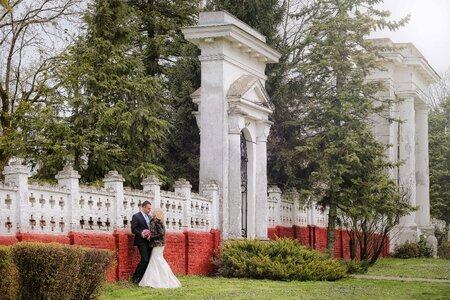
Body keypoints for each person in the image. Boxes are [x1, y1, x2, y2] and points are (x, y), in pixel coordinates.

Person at [139, 208, 181, 288]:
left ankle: (155, 281)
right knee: (157, 260)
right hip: (160, 245)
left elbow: (161, 234)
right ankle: (158, 279)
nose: (152, 213)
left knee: (156, 261)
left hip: (157, 244)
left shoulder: (155, 222)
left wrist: (151, 238)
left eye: (153, 212)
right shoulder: (160, 222)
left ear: (156, 214)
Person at [131, 200, 152, 284]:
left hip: (149, 241)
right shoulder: (136, 216)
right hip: (141, 241)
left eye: (150, 208)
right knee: (144, 259)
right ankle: (135, 277)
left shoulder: (150, 217)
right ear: (143, 207)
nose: (149, 210)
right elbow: (133, 229)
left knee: (148, 260)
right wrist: (142, 234)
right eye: (148, 208)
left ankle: (142, 278)